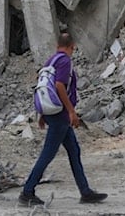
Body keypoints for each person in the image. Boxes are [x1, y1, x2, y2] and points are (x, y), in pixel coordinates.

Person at [18, 33, 107, 207]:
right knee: (48, 154)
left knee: (74, 150)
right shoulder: (65, 61)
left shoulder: (50, 61)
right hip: (61, 116)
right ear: (71, 46)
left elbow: (44, 88)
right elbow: (59, 85)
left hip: (54, 114)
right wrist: (71, 111)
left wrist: (43, 114)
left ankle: (85, 191)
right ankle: (27, 191)